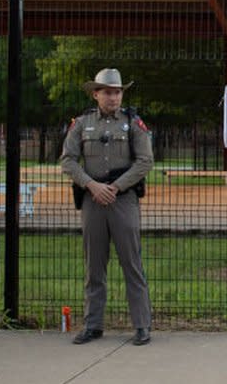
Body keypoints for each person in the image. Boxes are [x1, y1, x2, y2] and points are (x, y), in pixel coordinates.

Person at [61, 68, 154, 346]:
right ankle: (93, 325)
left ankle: (141, 325)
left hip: (122, 199)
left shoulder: (133, 123)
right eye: (107, 92)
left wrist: (115, 187)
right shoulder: (82, 123)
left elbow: (145, 161)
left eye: (117, 92)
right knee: (94, 266)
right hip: (92, 199)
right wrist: (91, 185)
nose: (113, 97)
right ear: (96, 93)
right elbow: (68, 160)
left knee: (132, 263)